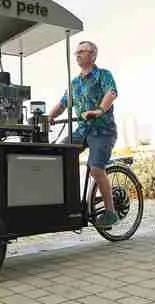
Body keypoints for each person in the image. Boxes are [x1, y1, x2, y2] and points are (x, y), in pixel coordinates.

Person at [47, 40, 119, 229]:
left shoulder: (103, 75)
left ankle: (111, 213)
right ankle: (69, 203)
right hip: (82, 131)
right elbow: (63, 103)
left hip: (102, 131)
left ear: (93, 55)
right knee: (59, 155)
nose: (77, 54)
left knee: (96, 169)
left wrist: (99, 111)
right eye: (76, 52)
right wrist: (49, 117)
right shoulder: (75, 82)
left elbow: (111, 93)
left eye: (82, 51)